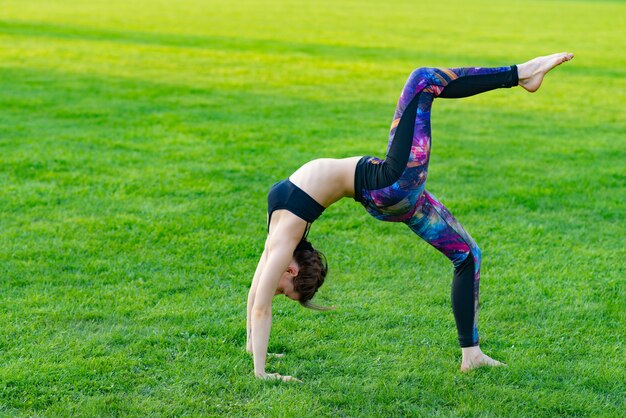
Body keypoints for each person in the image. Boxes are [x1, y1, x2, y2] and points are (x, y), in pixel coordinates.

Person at [246, 52, 574, 382]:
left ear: (291, 269)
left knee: (467, 255)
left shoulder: (281, 239)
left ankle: (471, 355)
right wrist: (261, 373)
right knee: (422, 80)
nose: (272, 290)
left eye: (283, 291)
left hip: (389, 196)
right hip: (391, 184)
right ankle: (522, 73)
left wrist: (252, 348)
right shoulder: (285, 237)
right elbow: (260, 304)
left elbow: (255, 294)